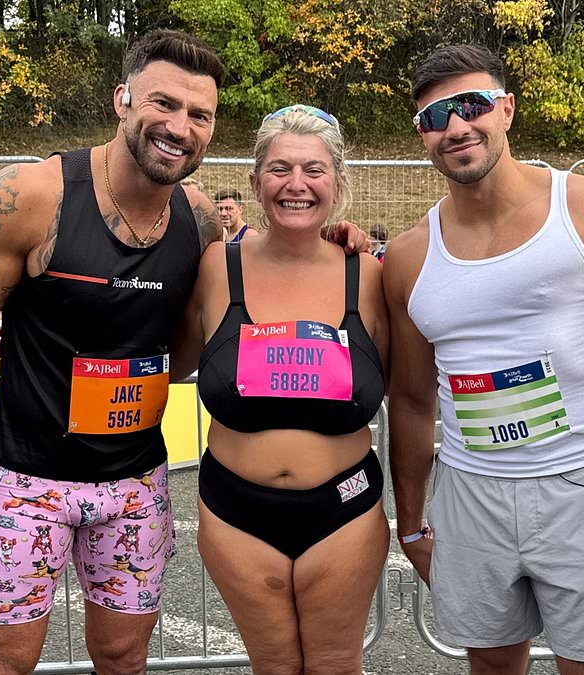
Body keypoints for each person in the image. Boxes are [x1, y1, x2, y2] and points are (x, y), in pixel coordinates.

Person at [0, 30, 364, 675]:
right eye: (164, 103)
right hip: (27, 478)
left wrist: (332, 238)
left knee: (123, 655)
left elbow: (239, 292)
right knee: (6, 657)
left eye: (199, 115)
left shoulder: (199, 220)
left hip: (134, 480)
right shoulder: (35, 195)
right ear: (122, 100)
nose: (180, 127)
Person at [385, 45, 584, 674]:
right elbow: (413, 402)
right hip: (470, 493)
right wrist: (412, 525)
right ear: (422, 135)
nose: (456, 126)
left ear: (506, 110)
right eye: (435, 116)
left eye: (471, 105)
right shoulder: (410, 255)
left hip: (579, 485)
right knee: (491, 667)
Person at [180, 104, 388, 674]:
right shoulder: (214, 268)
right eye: (279, 169)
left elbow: (416, 388)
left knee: (335, 665)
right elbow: (158, 351)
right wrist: (33, 339)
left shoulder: (371, 276)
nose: (297, 184)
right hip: (235, 513)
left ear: (337, 183)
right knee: (271, 665)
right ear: (255, 183)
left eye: (314, 170)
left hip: (344, 509)